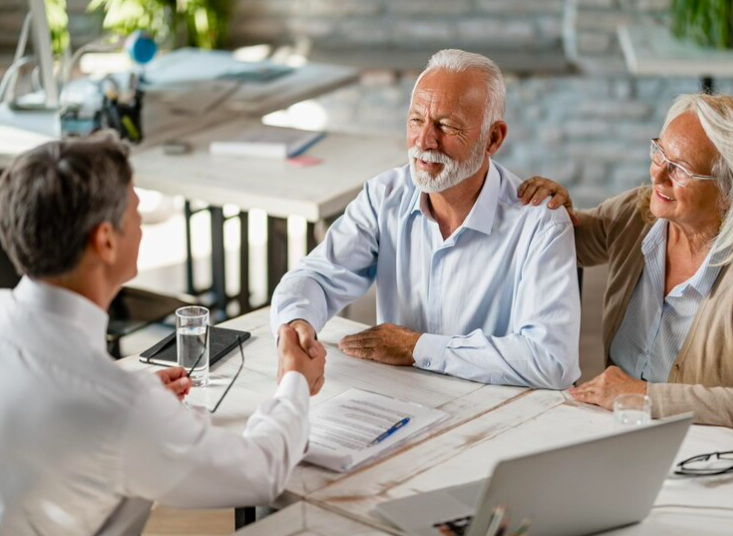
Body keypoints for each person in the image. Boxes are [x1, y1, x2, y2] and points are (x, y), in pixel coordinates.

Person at [0, 136, 326, 536]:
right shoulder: (118, 407)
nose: (141, 225)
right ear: (105, 240)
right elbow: (260, 472)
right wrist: (296, 381)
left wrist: (133, 391)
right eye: (135, 211)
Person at [271, 49, 580, 389]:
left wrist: (416, 347)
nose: (424, 141)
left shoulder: (540, 223)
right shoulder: (384, 196)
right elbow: (316, 276)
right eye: (417, 120)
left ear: (493, 138)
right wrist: (296, 325)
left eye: (446, 126)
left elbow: (551, 361)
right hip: (398, 402)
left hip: (495, 416)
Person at [519, 93, 733, 447]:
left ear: (728, 193)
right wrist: (548, 209)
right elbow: (556, 244)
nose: (658, 174)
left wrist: (643, 396)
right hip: (645, 441)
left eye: (681, 169)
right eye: (659, 152)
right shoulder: (637, 214)